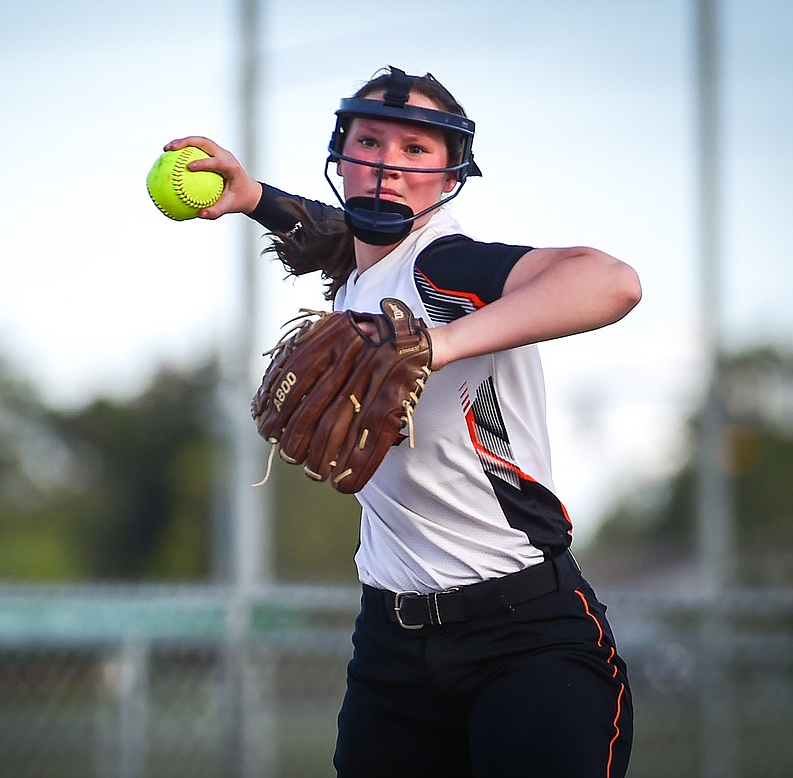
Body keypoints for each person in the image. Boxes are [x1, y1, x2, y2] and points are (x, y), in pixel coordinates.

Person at [166, 66, 641, 777]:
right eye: (370, 141)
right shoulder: (364, 271)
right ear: (342, 155)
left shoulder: (443, 268)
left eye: (417, 149)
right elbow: (331, 234)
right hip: (391, 651)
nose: (387, 164)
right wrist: (256, 198)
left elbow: (613, 281)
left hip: (524, 643)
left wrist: (437, 343)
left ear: (451, 173)